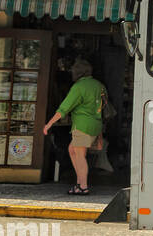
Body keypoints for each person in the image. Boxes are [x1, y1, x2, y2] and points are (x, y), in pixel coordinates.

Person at [41, 58, 107, 196]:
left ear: (78, 72)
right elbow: (105, 105)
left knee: (80, 155)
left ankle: (83, 186)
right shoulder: (99, 85)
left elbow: (64, 108)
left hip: (82, 125)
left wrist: (49, 124)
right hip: (96, 124)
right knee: (72, 150)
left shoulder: (79, 87)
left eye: (73, 71)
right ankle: (79, 183)